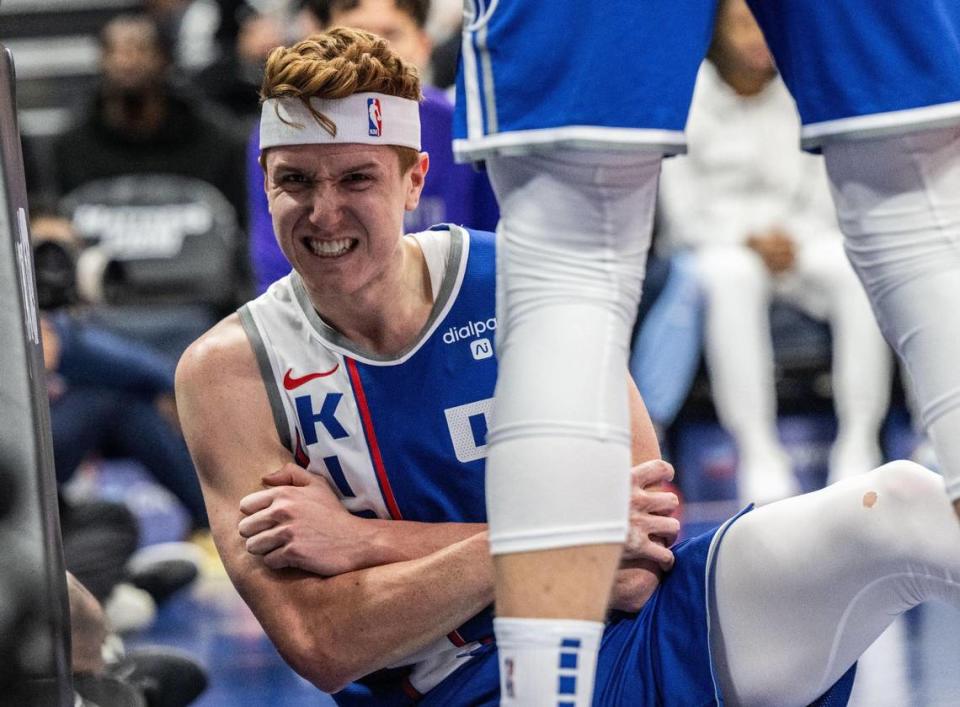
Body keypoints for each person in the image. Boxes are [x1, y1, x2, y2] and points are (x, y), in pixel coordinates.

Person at [176, 29, 960, 706]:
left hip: (642, 639)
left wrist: (362, 543)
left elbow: (640, 552)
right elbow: (322, 641)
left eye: (356, 179)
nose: (323, 213)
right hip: (461, 692)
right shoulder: (229, 371)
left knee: (905, 502)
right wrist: (560, 536)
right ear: (264, 181)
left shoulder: (519, 275)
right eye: (294, 181)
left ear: (415, 180)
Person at [453, 0, 960, 700]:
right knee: (923, 225)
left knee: (569, 263)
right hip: (733, 252)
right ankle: (761, 445)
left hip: (796, 247)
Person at [658, 1, 893, 503]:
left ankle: (859, 441)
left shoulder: (802, 86)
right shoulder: (685, 93)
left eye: (763, 22)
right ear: (719, 30)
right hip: (719, 248)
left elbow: (829, 186)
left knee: (854, 268)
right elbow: (679, 216)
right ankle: (758, 449)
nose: (757, 37)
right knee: (732, 276)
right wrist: (745, 236)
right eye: (743, 24)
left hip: (801, 241)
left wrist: (792, 236)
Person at [245, 0, 498, 293]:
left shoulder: (465, 127)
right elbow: (274, 270)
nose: (371, 49)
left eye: (391, 33)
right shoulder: (282, 132)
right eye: (358, 31)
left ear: (423, 44)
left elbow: (492, 253)